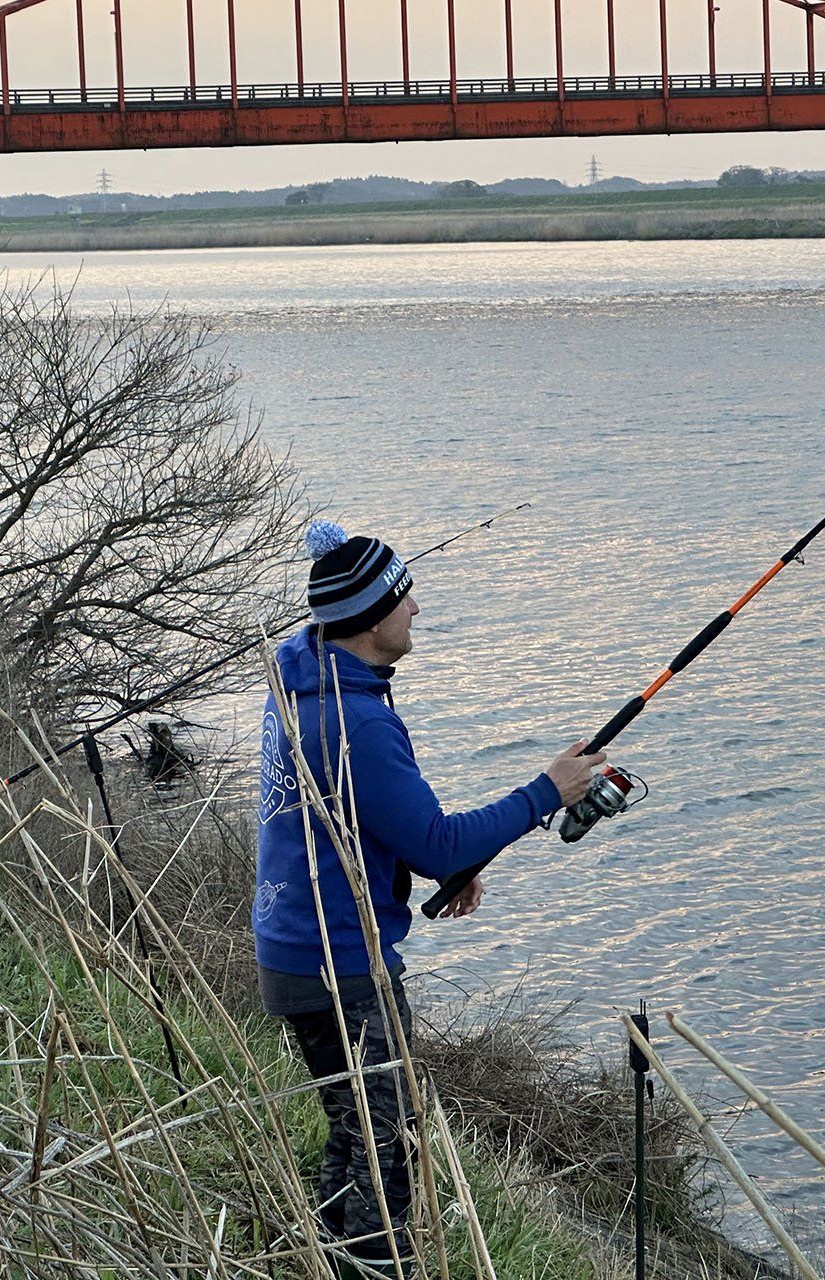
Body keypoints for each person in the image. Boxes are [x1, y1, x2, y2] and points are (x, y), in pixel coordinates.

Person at [254, 520, 606, 1265]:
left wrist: (428, 865)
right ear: (372, 617)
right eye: (405, 597)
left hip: (297, 947)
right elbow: (435, 839)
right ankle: (379, 1262)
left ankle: (328, 1254)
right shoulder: (350, 718)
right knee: (390, 1145)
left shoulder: (307, 676)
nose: (417, 610)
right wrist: (548, 789)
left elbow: (352, 819)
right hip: (340, 962)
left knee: (356, 1128)